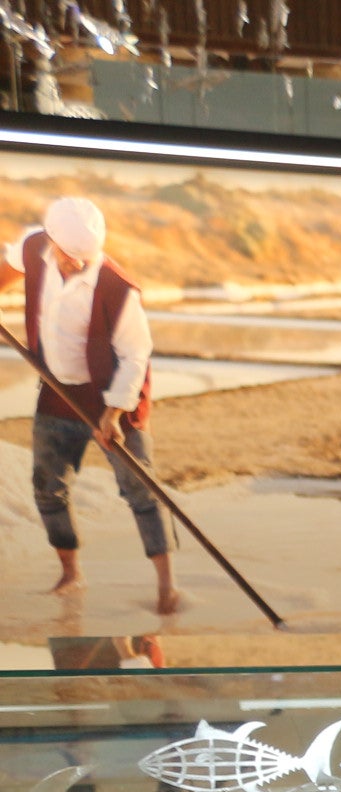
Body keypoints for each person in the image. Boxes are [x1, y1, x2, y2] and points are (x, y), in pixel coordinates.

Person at [2, 195, 179, 613]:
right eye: (69, 257)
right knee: (48, 487)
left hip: (113, 395)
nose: (77, 265)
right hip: (57, 391)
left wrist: (114, 414)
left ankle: (166, 587)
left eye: (86, 258)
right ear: (51, 241)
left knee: (141, 489)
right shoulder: (31, 246)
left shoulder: (118, 287)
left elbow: (136, 356)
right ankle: (70, 573)